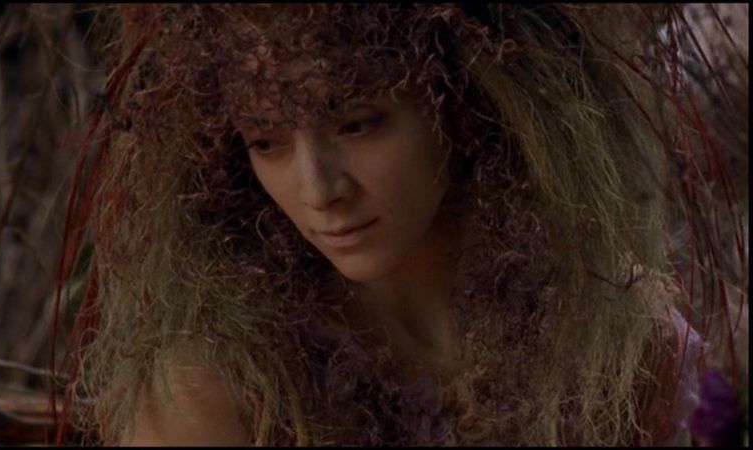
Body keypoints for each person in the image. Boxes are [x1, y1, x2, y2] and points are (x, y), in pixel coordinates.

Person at [52, 4, 716, 446]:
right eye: (265, 141)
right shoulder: (221, 384)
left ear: (460, 101)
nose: (319, 190)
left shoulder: (613, 336)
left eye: (356, 124)